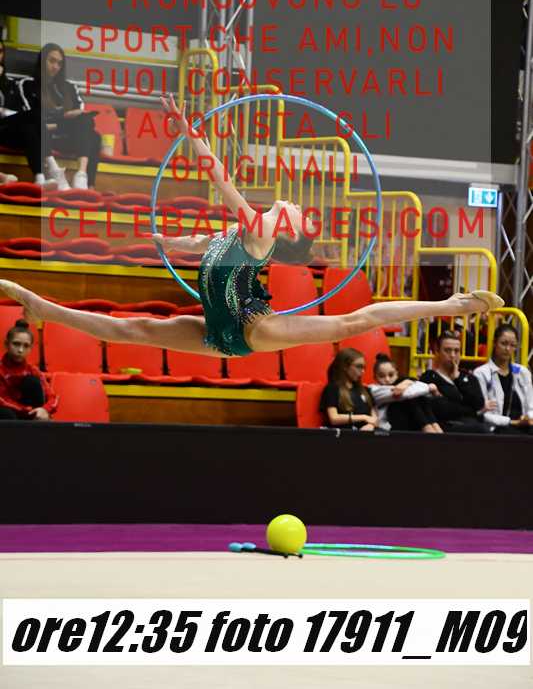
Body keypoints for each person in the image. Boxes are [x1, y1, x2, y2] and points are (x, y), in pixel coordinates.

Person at [0, 96, 504, 361]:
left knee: (353, 323)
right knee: (133, 329)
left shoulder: (260, 229)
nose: (296, 204)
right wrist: (173, 242)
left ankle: (450, 305)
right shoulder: (242, 233)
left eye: (301, 214)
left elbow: (221, 179)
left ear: (287, 232)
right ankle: (44, 309)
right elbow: (208, 242)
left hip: (251, 326)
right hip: (216, 328)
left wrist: (191, 133)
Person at [19, 42, 102, 189]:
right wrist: (63, 119)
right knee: (36, 125)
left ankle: (82, 176)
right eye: (52, 61)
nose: (55, 67)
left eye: (59, 63)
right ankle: (84, 183)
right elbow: (30, 117)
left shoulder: (69, 87)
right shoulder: (27, 84)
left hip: (68, 137)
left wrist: (64, 120)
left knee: (92, 132)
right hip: (44, 136)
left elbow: (81, 115)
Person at [0, 39, 53, 186]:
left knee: (29, 126)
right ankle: (52, 166)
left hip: (6, 130)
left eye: (0, 51)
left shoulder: (10, 84)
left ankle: (39, 177)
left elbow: (17, 110)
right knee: (35, 115)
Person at [419, 330, 492, 433]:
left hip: (472, 425)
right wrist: (471, 411)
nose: (452, 355)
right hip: (445, 428)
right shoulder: (429, 377)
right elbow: (441, 410)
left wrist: (458, 378)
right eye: (447, 350)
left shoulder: (469, 378)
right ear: (437, 351)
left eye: (456, 351)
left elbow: (479, 404)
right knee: (481, 430)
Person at [474, 324, 533, 435]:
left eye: (512, 345)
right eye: (504, 343)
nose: (508, 349)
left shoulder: (523, 372)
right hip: (497, 428)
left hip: (524, 425)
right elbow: (483, 413)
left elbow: (531, 405)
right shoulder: (481, 373)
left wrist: (528, 418)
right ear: (494, 343)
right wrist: (512, 422)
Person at [370, 353, 443, 433]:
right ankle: (428, 428)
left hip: (406, 423)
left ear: (397, 374)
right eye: (381, 376)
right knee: (411, 397)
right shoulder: (374, 389)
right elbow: (405, 394)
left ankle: (434, 425)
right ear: (375, 377)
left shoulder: (401, 383)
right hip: (386, 429)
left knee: (419, 397)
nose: (387, 379)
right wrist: (428, 387)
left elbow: (417, 387)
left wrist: (407, 382)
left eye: (391, 375)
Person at [0, 318, 57, 420]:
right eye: (16, 344)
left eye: (26, 346)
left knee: (32, 382)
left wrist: (44, 409)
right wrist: (26, 410)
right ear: (6, 344)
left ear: (30, 349)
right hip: (9, 415)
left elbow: (52, 397)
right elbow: (3, 400)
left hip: (29, 414)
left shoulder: (33, 370)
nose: (20, 350)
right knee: (6, 414)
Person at [320, 348, 378, 431]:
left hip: (367, 433)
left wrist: (371, 425)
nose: (362, 371)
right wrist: (364, 417)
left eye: (363, 367)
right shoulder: (332, 389)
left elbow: (374, 418)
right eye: (358, 366)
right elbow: (334, 418)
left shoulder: (365, 390)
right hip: (345, 434)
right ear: (345, 366)